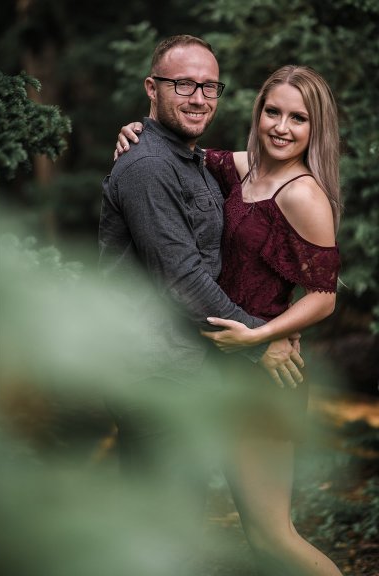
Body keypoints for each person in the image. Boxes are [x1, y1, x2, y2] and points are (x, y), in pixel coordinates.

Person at [114, 64, 343, 575]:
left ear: (315, 128)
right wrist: (136, 130)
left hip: (265, 374)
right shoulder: (244, 169)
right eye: (273, 112)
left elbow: (324, 296)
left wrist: (265, 336)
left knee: (274, 536)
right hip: (228, 365)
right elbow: (179, 155)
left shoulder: (304, 194)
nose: (282, 127)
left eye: (298, 119)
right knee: (259, 540)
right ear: (258, 112)